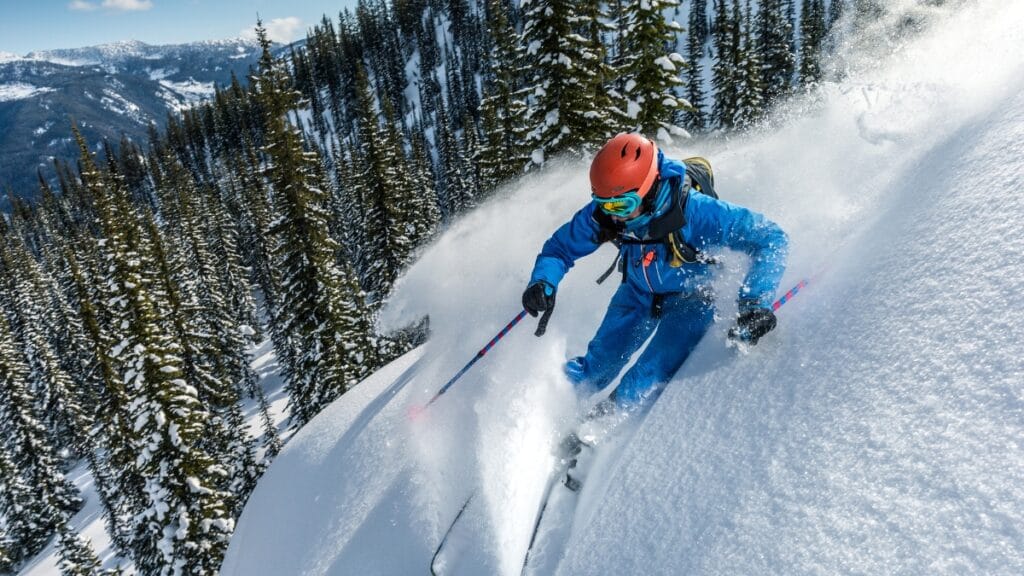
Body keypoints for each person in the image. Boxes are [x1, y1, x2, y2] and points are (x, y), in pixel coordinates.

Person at [522, 133, 788, 417]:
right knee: (597, 366)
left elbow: (771, 238)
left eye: (620, 206)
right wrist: (543, 281)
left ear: (647, 188)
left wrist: (755, 303)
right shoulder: (608, 210)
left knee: (643, 378)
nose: (612, 216)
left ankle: (592, 434)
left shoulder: (697, 212)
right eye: (601, 204)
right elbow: (560, 249)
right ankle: (537, 410)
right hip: (637, 293)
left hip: (692, 297)